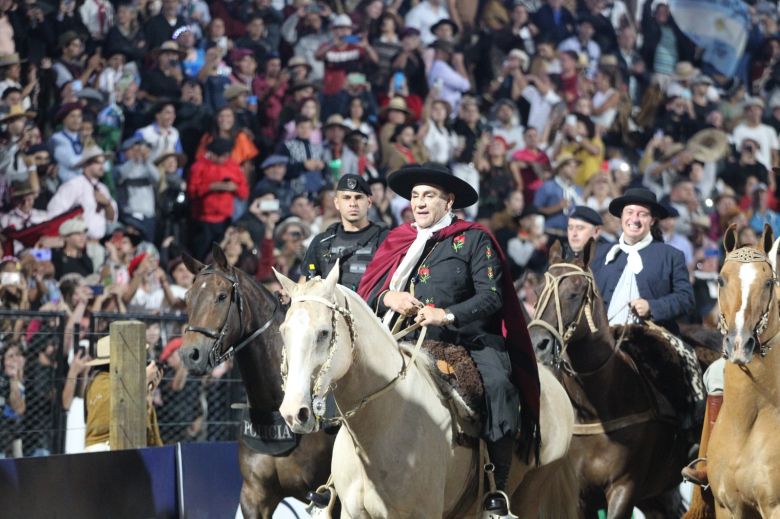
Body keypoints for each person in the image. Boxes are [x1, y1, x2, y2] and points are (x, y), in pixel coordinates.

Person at [356, 163, 540, 517]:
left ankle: (496, 494)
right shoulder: (398, 239)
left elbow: (492, 296)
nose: (419, 203)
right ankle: (335, 485)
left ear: (448, 201)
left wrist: (446, 314)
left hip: (468, 339)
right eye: (414, 196)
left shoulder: (474, 238)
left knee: (500, 385)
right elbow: (368, 293)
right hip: (402, 337)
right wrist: (388, 298)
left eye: (428, 196)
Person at [591, 187, 694, 333]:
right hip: (602, 340)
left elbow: (686, 299)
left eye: (642, 214)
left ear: (652, 221)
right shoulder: (600, 253)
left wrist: (652, 307)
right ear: (621, 216)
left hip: (648, 342)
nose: (635, 219)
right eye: (630, 212)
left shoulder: (671, 255)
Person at [302, 174, 388, 291]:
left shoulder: (385, 239)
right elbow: (304, 286)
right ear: (337, 203)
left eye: (358, 197)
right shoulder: (321, 242)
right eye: (346, 198)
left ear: (369, 202)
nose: (353, 203)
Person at [84, 336, 163, 451]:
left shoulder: (125, 382)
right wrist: (143, 380)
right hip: (103, 452)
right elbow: (118, 411)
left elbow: (144, 430)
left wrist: (148, 393)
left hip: (125, 451)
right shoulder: (100, 382)